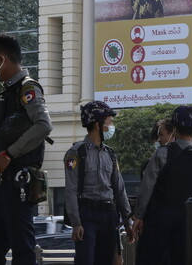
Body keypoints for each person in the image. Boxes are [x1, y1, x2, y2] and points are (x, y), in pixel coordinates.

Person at [0, 33, 53, 265]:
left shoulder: (27, 88)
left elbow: (43, 125)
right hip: (4, 184)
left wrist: (10, 154)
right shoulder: (8, 94)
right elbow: (2, 145)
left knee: (22, 248)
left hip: (20, 182)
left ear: (2, 59)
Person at [133, 105, 192, 265]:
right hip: (188, 224)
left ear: (175, 129)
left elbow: (147, 188)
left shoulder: (162, 153)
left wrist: (139, 216)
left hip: (158, 222)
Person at [64, 101, 136, 265]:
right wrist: (76, 223)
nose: (112, 126)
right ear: (98, 124)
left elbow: (119, 190)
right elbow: (71, 190)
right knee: (86, 261)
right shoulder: (76, 153)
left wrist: (128, 222)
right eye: (109, 121)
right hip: (87, 215)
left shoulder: (110, 154)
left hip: (110, 216)